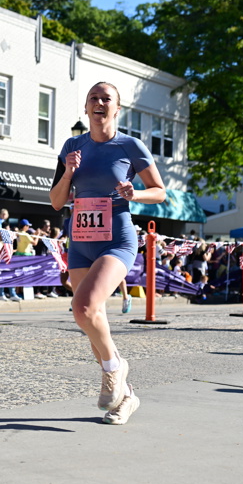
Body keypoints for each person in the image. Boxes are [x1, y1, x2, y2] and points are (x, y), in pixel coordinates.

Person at [50, 81, 166, 426]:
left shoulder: (129, 145)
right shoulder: (72, 146)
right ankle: (126, 395)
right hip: (80, 240)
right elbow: (56, 202)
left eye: (106, 99)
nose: (99, 103)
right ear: (86, 107)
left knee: (83, 308)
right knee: (91, 319)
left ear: (117, 108)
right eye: (93, 98)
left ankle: (114, 367)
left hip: (117, 239)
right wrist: (69, 172)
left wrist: (135, 194)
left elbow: (159, 192)